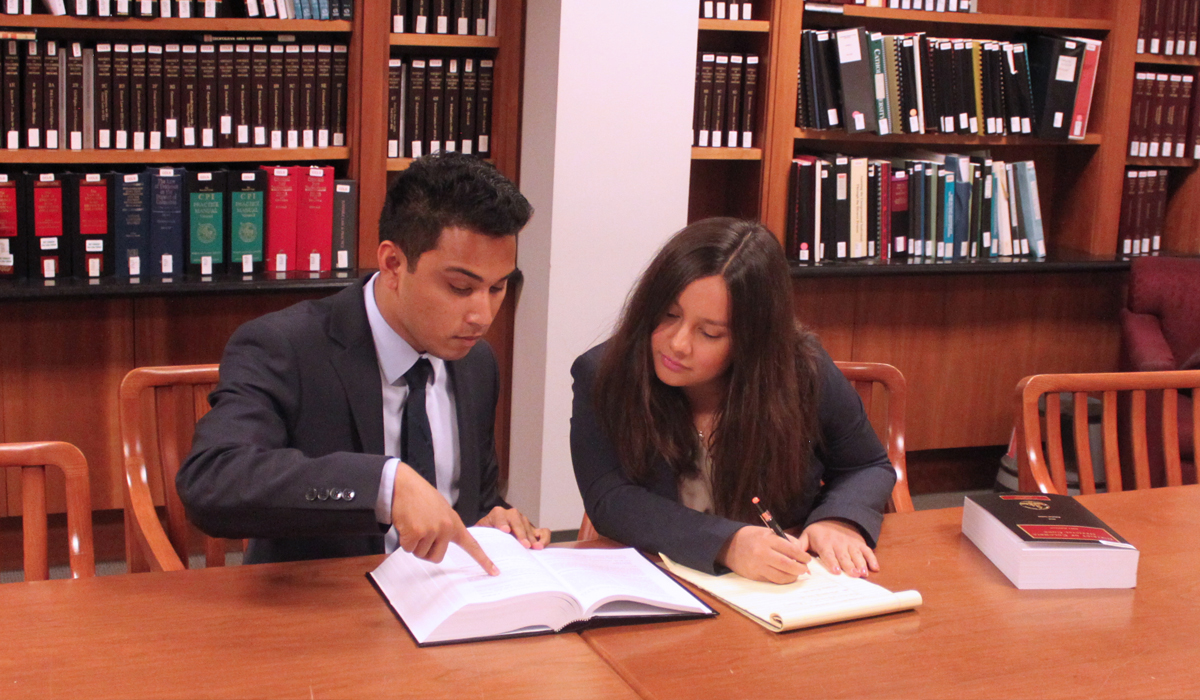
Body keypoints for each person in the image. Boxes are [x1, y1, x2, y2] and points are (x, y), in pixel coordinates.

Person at [179, 152, 549, 572]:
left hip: (446, 605)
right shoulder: (286, 346)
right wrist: (383, 485)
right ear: (393, 264)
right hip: (326, 611)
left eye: (498, 288)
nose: (482, 315)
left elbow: (474, 499)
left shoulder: (475, 362)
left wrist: (493, 519)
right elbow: (212, 480)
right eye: (460, 287)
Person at [570, 217, 896, 584]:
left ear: (752, 341)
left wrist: (839, 519)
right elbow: (610, 499)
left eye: (709, 333)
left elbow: (867, 464)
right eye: (668, 315)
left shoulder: (800, 370)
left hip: (780, 585)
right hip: (660, 578)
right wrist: (727, 543)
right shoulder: (602, 374)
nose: (678, 344)